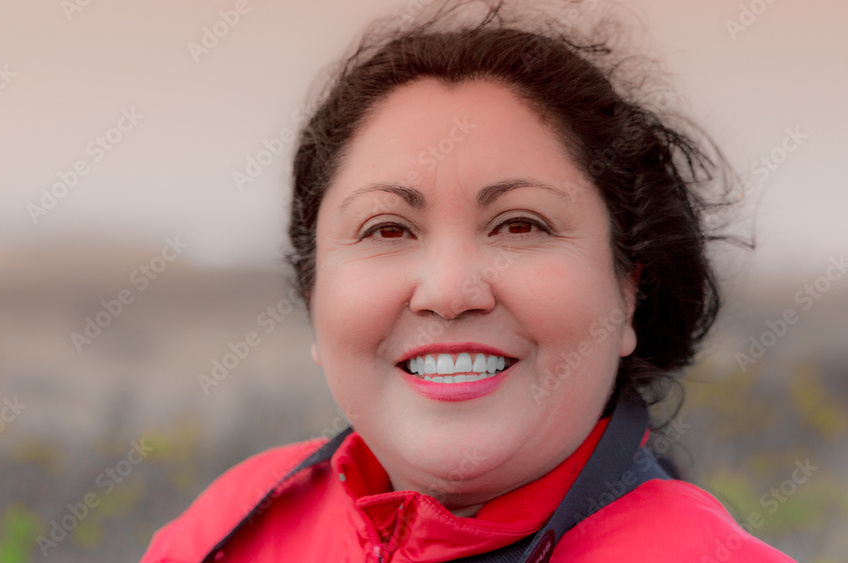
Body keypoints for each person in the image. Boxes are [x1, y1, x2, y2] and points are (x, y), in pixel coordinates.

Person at [141, 1, 796, 561]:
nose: (450, 292)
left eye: (520, 225)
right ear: (315, 298)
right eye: (387, 229)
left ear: (629, 291)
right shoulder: (225, 529)